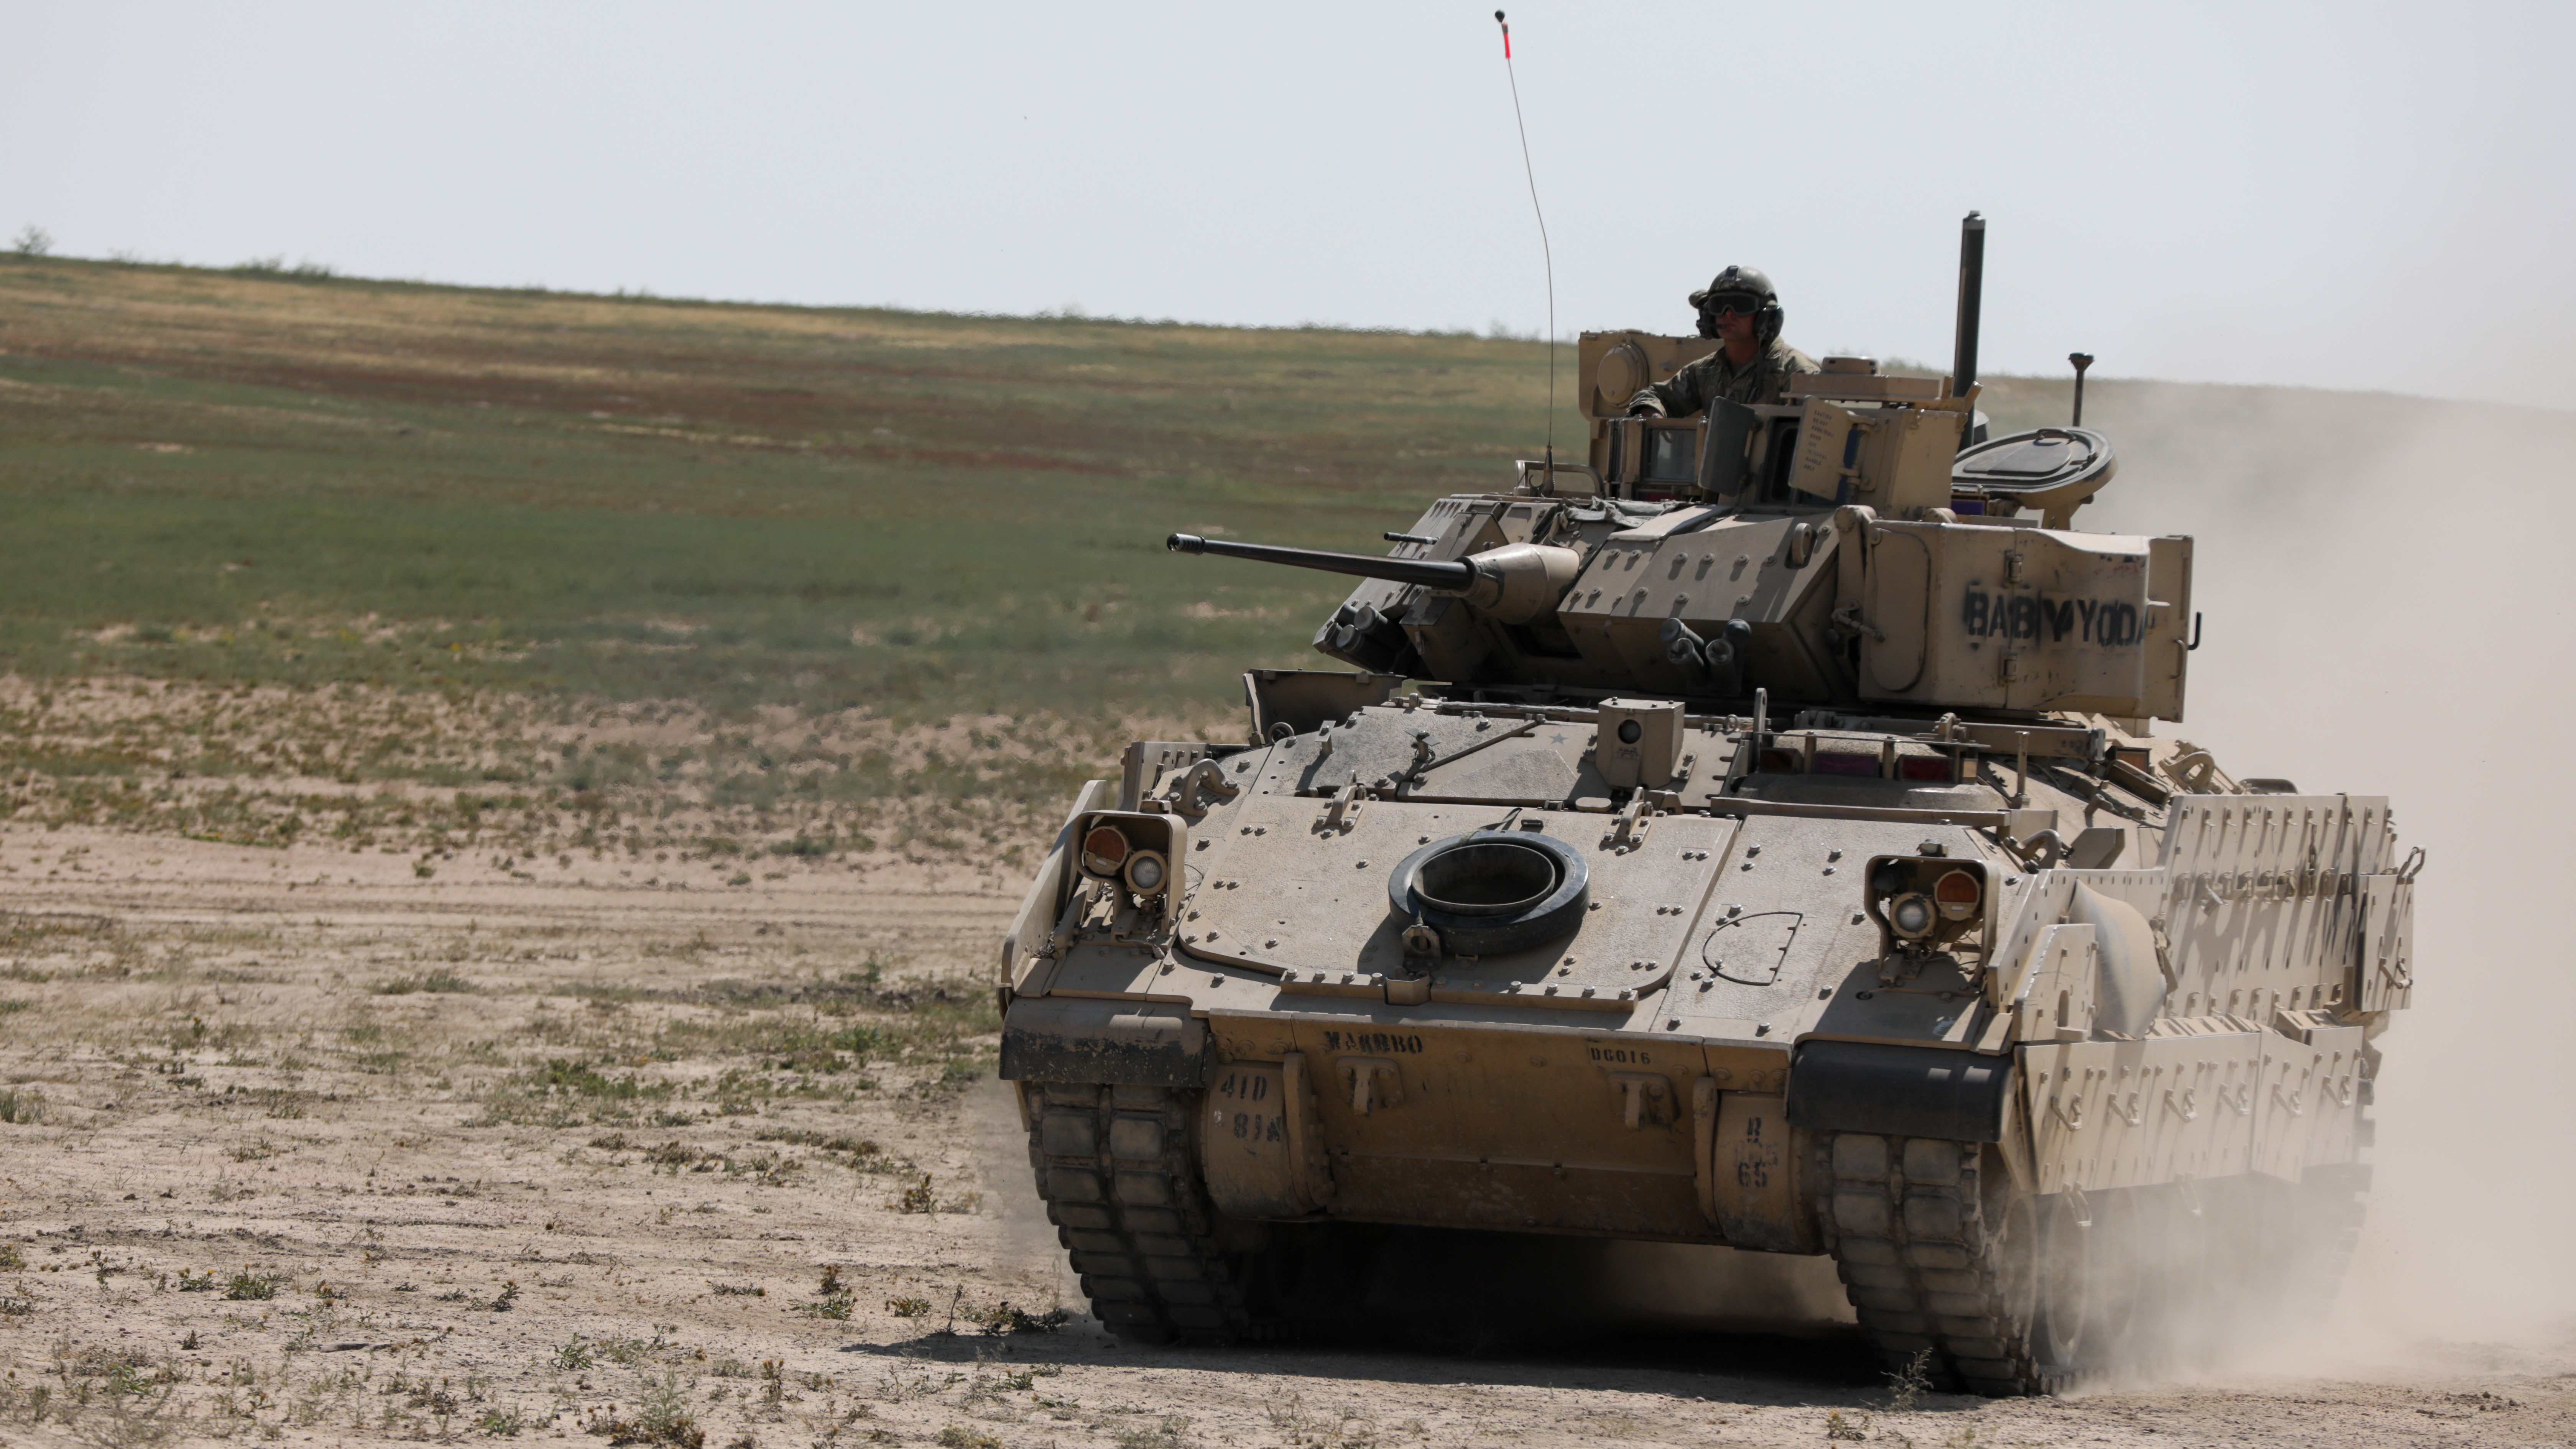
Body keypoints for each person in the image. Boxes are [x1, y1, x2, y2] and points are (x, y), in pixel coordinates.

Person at [1626, 265, 1818, 415]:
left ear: (1765, 317)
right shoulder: (1706, 371)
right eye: (1719, 306)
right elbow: (1654, 396)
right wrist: (1652, 413)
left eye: (1740, 305)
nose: (1728, 314)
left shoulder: (1796, 372)